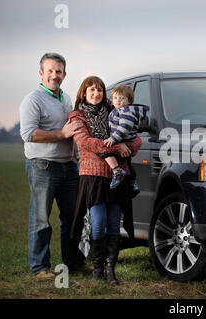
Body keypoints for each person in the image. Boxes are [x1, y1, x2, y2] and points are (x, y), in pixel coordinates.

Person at [19, 53, 87, 279]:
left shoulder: (66, 98)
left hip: (69, 167)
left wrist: (75, 153)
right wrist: (61, 134)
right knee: (41, 218)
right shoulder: (32, 100)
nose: (54, 75)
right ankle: (40, 268)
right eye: (50, 71)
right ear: (41, 73)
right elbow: (28, 134)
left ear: (64, 74)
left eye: (58, 71)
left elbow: (73, 130)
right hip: (43, 167)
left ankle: (73, 262)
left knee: (72, 217)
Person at [69, 76, 142, 285]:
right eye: (91, 90)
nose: (96, 93)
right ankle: (97, 268)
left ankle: (110, 271)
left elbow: (136, 139)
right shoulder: (77, 117)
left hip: (117, 178)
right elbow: (86, 142)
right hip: (93, 177)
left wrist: (129, 146)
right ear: (84, 93)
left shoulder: (117, 112)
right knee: (98, 223)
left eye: (99, 90)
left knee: (113, 225)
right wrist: (116, 147)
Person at [101, 84, 142, 197]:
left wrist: (113, 139)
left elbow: (124, 128)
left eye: (122, 98)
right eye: (115, 98)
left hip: (124, 140)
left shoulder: (126, 112)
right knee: (127, 163)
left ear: (129, 101)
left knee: (105, 152)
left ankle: (118, 171)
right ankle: (132, 182)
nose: (118, 100)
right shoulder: (116, 111)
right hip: (121, 140)